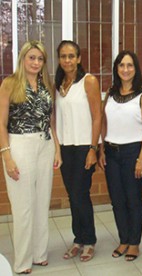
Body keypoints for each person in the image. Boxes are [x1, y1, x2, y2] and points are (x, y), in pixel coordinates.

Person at [0, 40, 62, 274]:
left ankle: (39, 253)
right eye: (31, 58)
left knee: (41, 202)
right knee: (23, 206)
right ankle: (23, 261)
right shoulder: (9, 84)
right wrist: (6, 156)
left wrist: (57, 148)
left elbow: (51, 121)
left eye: (40, 59)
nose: (35, 62)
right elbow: (1, 124)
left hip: (44, 145)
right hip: (19, 145)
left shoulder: (47, 84)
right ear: (23, 58)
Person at [98, 50, 142, 261]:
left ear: (136, 69)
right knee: (117, 200)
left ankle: (134, 243)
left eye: (130, 65)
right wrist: (101, 149)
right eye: (121, 65)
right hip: (112, 152)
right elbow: (105, 123)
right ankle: (123, 239)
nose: (125, 69)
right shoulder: (110, 93)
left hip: (135, 153)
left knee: (132, 199)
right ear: (116, 68)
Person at [55, 40, 102, 262]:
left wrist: (93, 148)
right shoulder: (59, 84)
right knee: (72, 195)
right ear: (59, 59)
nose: (67, 60)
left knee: (81, 194)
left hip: (84, 147)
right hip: (66, 148)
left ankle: (89, 240)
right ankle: (78, 238)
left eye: (71, 56)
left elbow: (97, 116)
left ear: (79, 58)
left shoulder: (88, 81)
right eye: (63, 56)